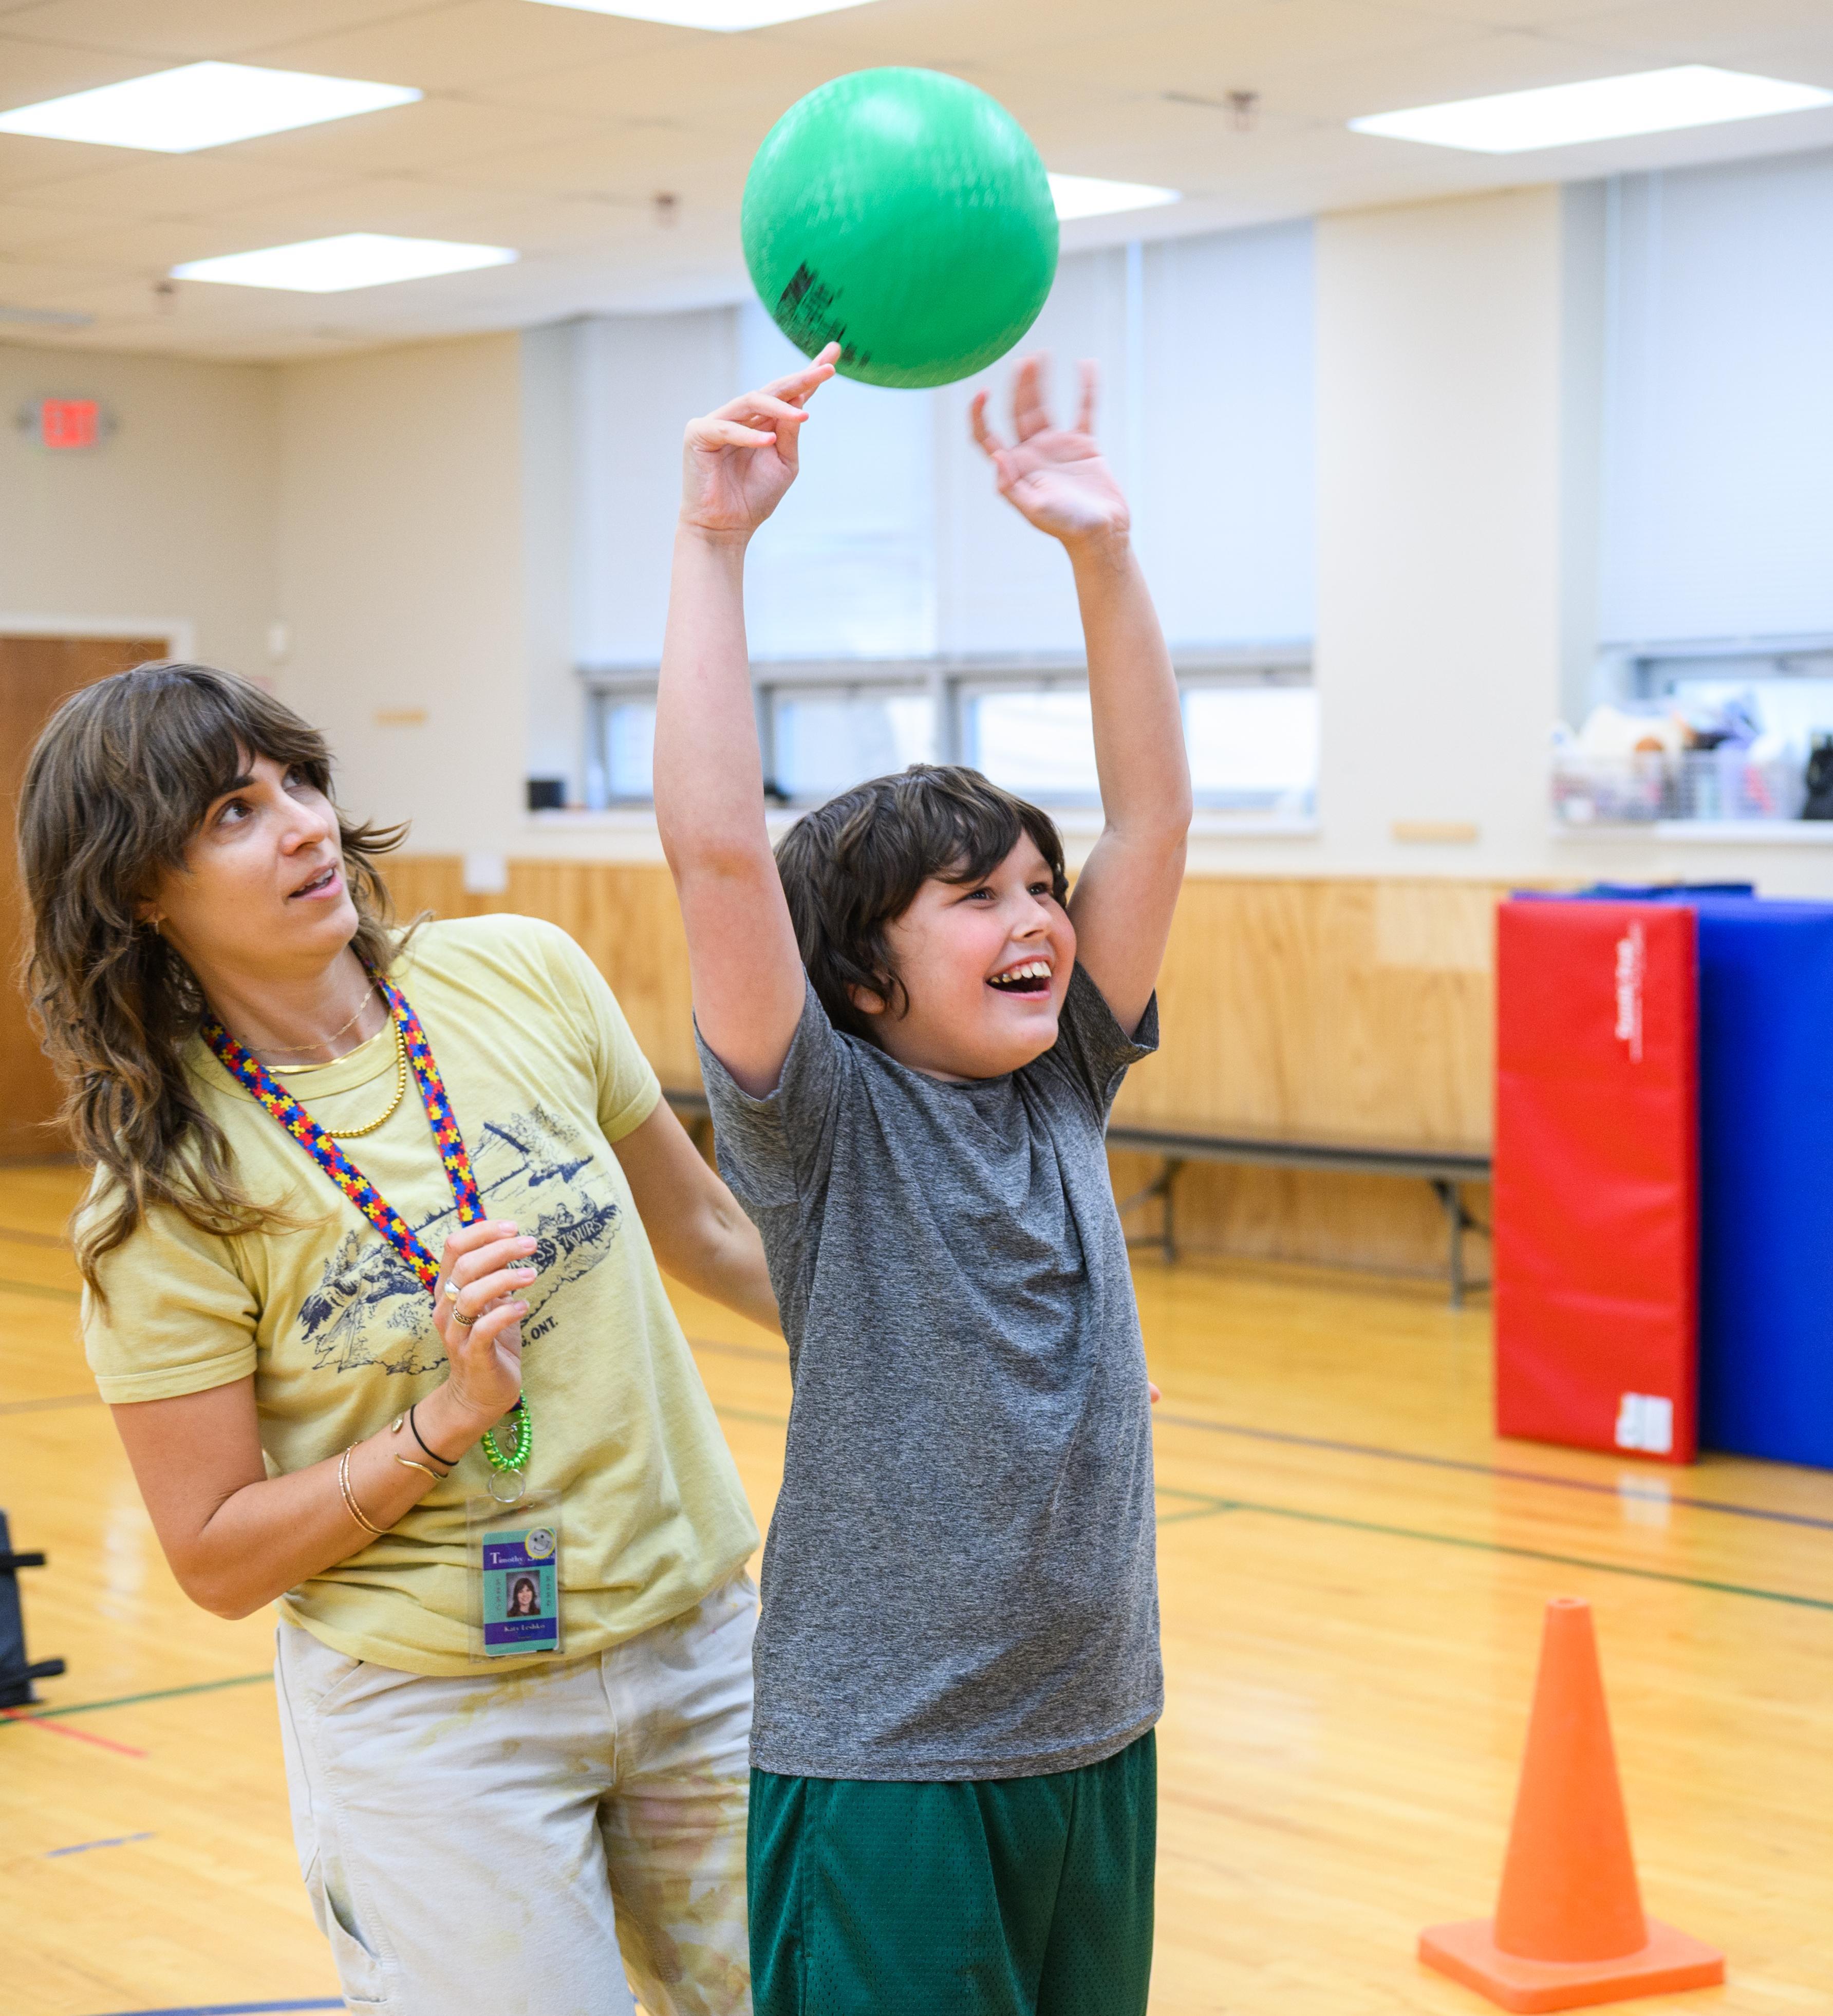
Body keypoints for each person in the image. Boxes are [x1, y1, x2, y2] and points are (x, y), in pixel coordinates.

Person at [22, 663, 781, 2015]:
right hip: (440, 1725)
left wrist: (965, 1351)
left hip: (700, 1643)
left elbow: (716, 1234)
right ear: (141, 890)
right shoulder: (165, 1190)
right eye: (232, 815)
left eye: (300, 782)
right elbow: (211, 1551)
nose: (306, 825)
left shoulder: (521, 973)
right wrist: (442, 1423)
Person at [657, 342, 1187, 2016]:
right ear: (861, 978)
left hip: (1097, 1730)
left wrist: (1102, 552)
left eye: (1040, 883)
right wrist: (715, 546)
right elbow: (720, 850)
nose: (1037, 916)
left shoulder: (1069, 1083)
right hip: (887, 1764)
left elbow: (1156, 817)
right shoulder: (823, 1125)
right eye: (978, 897)